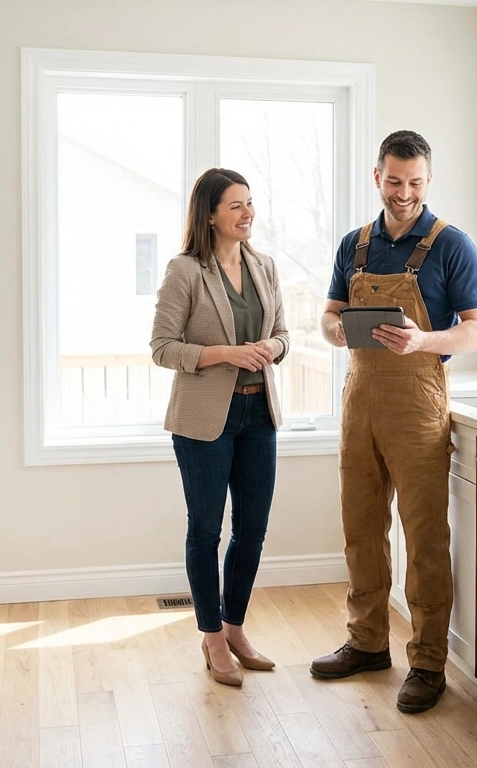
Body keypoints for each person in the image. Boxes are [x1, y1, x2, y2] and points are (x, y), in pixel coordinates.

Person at [310, 131, 477, 712]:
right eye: (394, 181)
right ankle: (366, 643)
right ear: (377, 177)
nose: (404, 193)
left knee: (424, 537)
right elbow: (329, 316)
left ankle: (428, 662)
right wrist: (336, 329)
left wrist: (423, 340)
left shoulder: (451, 245)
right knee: (361, 529)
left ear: (428, 180)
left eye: (414, 182)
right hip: (359, 402)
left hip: (416, 407)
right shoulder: (354, 245)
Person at [150, 168, 290, 687]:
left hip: (259, 415)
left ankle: (235, 628)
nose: (247, 212)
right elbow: (162, 348)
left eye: (250, 203)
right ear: (210, 214)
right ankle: (210, 635)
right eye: (235, 205)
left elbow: (282, 335)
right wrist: (228, 354)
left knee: (251, 529)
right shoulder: (185, 271)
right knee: (206, 530)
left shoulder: (265, 266)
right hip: (204, 419)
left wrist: (269, 349)